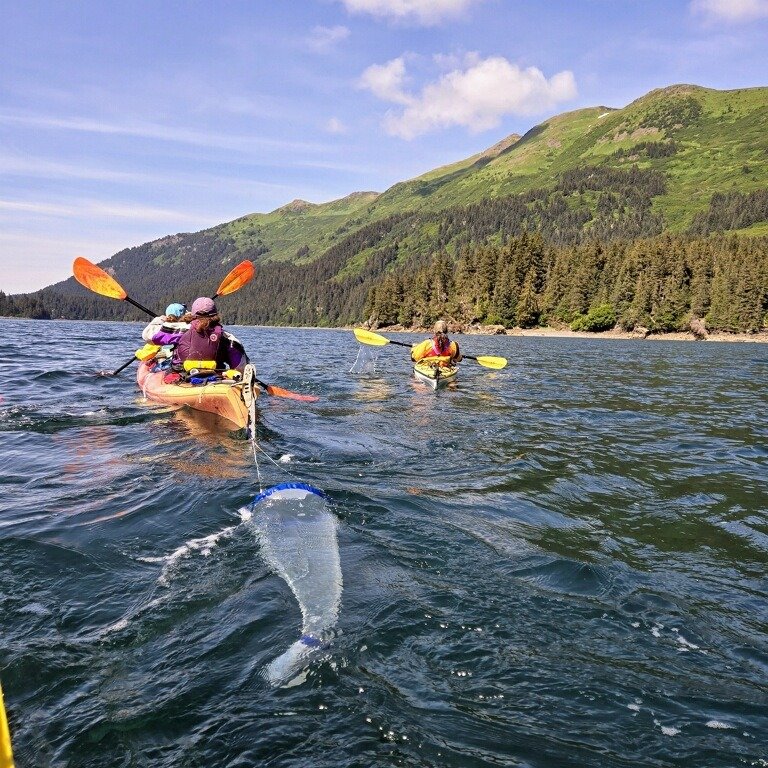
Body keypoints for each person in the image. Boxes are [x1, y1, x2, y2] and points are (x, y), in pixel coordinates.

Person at [173, 297, 249, 373]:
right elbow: (240, 366)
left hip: (184, 374)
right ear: (215, 314)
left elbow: (161, 336)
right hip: (216, 375)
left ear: (192, 314)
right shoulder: (226, 336)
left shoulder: (180, 330)